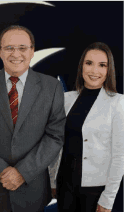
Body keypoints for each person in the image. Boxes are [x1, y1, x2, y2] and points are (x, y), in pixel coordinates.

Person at [0, 25, 66, 212]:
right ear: (0, 51)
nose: (15, 54)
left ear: (32, 51)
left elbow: (55, 136)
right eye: (9, 48)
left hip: (32, 189)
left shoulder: (52, 87)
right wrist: (1, 171)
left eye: (22, 48)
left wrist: (22, 172)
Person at [49, 42, 124, 212]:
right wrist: (53, 180)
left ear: (108, 69)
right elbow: (57, 144)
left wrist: (108, 199)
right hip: (64, 186)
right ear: (81, 66)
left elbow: (120, 156)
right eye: (89, 63)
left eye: (102, 65)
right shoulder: (65, 99)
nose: (94, 71)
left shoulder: (118, 103)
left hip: (95, 191)